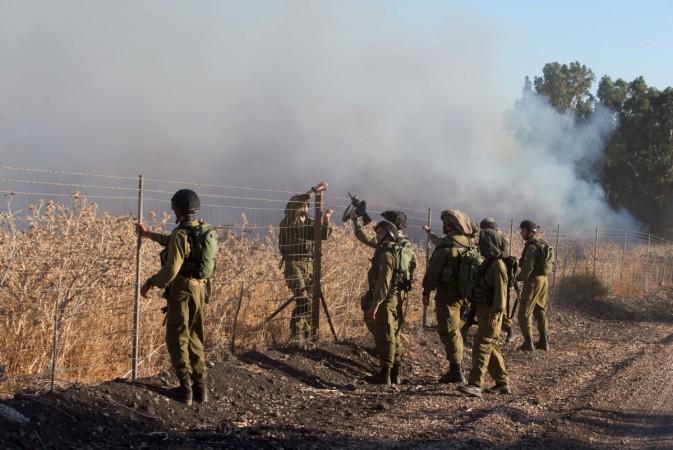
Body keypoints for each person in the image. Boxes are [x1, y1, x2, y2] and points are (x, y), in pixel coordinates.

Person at [137, 189, 217, 405]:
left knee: (177, 336)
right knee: (195, 336)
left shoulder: (182, 234)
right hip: (201, 289)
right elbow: (173, 241)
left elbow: (172, 269)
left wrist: (150, 282)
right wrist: (149, 234)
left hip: (182, 290)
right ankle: (200, 388)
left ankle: (185, 389)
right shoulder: (202, 231)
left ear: (178, 210)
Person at [422, 210, 474, 384]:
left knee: (449, 331)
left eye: (445, 224)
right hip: (464, 294)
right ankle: (457, 366)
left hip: (447, 295)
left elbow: (432, 273)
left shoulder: (447, 245)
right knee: (456, 329)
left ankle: (456, 370)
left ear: (450, 225)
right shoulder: (468, 242)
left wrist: (426, 292)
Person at [458, 228, 511, 398]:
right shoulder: (488, 263)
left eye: (483, 242)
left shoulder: (498, 266)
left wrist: (496, 315)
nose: (479, 245)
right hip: (483, 311)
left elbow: (501, 295)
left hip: (491, 313)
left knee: (482, 346)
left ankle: (475, 384)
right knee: (490, 347)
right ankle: (502, 383)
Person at [278, 181, 333, 343]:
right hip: (293, 264)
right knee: (303, 300)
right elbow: (294, 206)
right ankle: (296, 336)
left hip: (309, 264)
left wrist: (326, 220)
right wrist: (313, 191)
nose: (305, 207)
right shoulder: (288, 222)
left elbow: (323, 235)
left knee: (308, 299)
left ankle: (305, 336)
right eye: (302, 204)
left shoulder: (309, 223)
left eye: (307, 205)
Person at [362, 220, 404, 385]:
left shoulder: (386, 255)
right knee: (393, 335)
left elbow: (383, 282)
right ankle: (395, 374)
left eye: (380, 233)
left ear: (389, 235)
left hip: (384, 300)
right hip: (389, 299)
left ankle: (385, 374)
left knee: (385, 336)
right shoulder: (388, 252)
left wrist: (376, 303)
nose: (377, 235)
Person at [517, 220, 549, 351]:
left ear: (530, 232)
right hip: (543, 280)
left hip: (533, 281)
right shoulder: (542, 243)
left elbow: (527, 268)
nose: (521, 233)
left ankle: (528, 343)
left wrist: (518, 278)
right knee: (540, 310)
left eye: (523, 230)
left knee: (524, 312)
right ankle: (544, 341)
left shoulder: (531, 247)